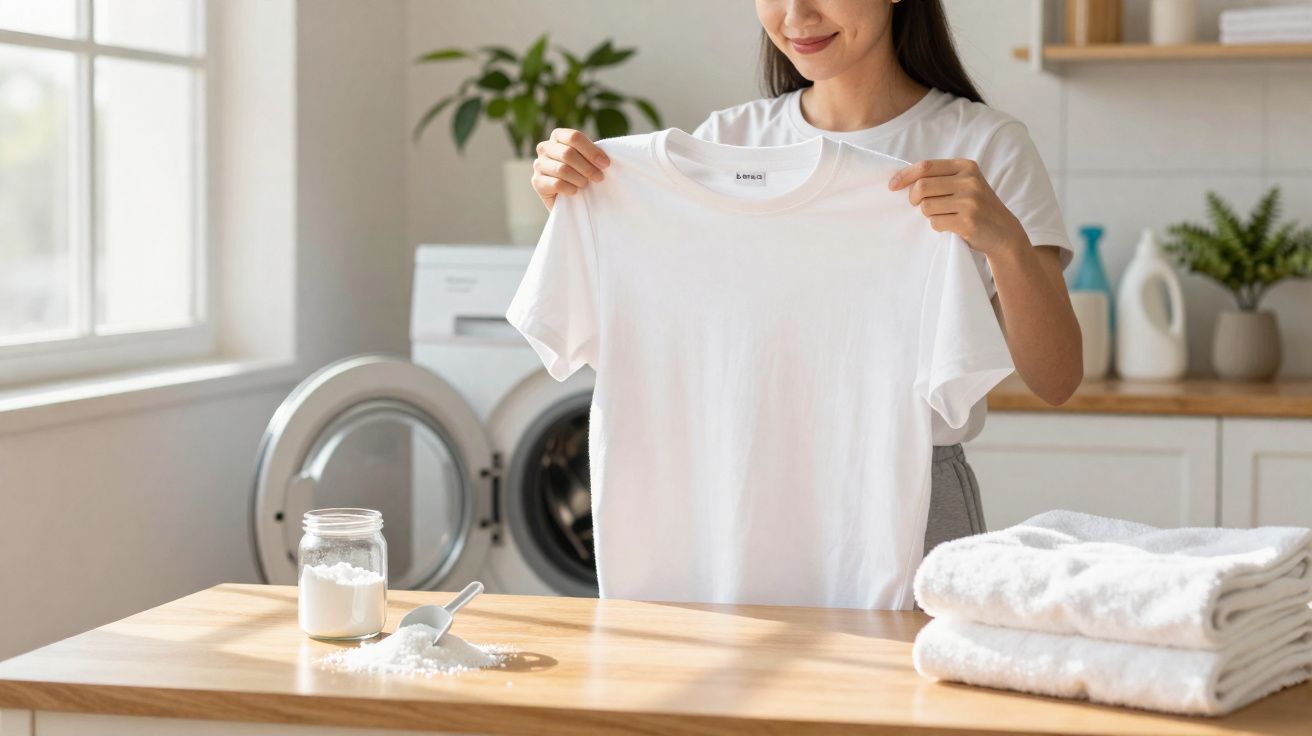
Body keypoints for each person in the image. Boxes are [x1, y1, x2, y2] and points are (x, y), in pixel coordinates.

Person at [528, 0, 1081, 561]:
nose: (797, 14)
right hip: (739, 496)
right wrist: (583, 211)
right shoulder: (725, 143)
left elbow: (1056, 379)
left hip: (909, 499)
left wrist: (1006, 241)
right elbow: (656, 327)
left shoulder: (986, 147)